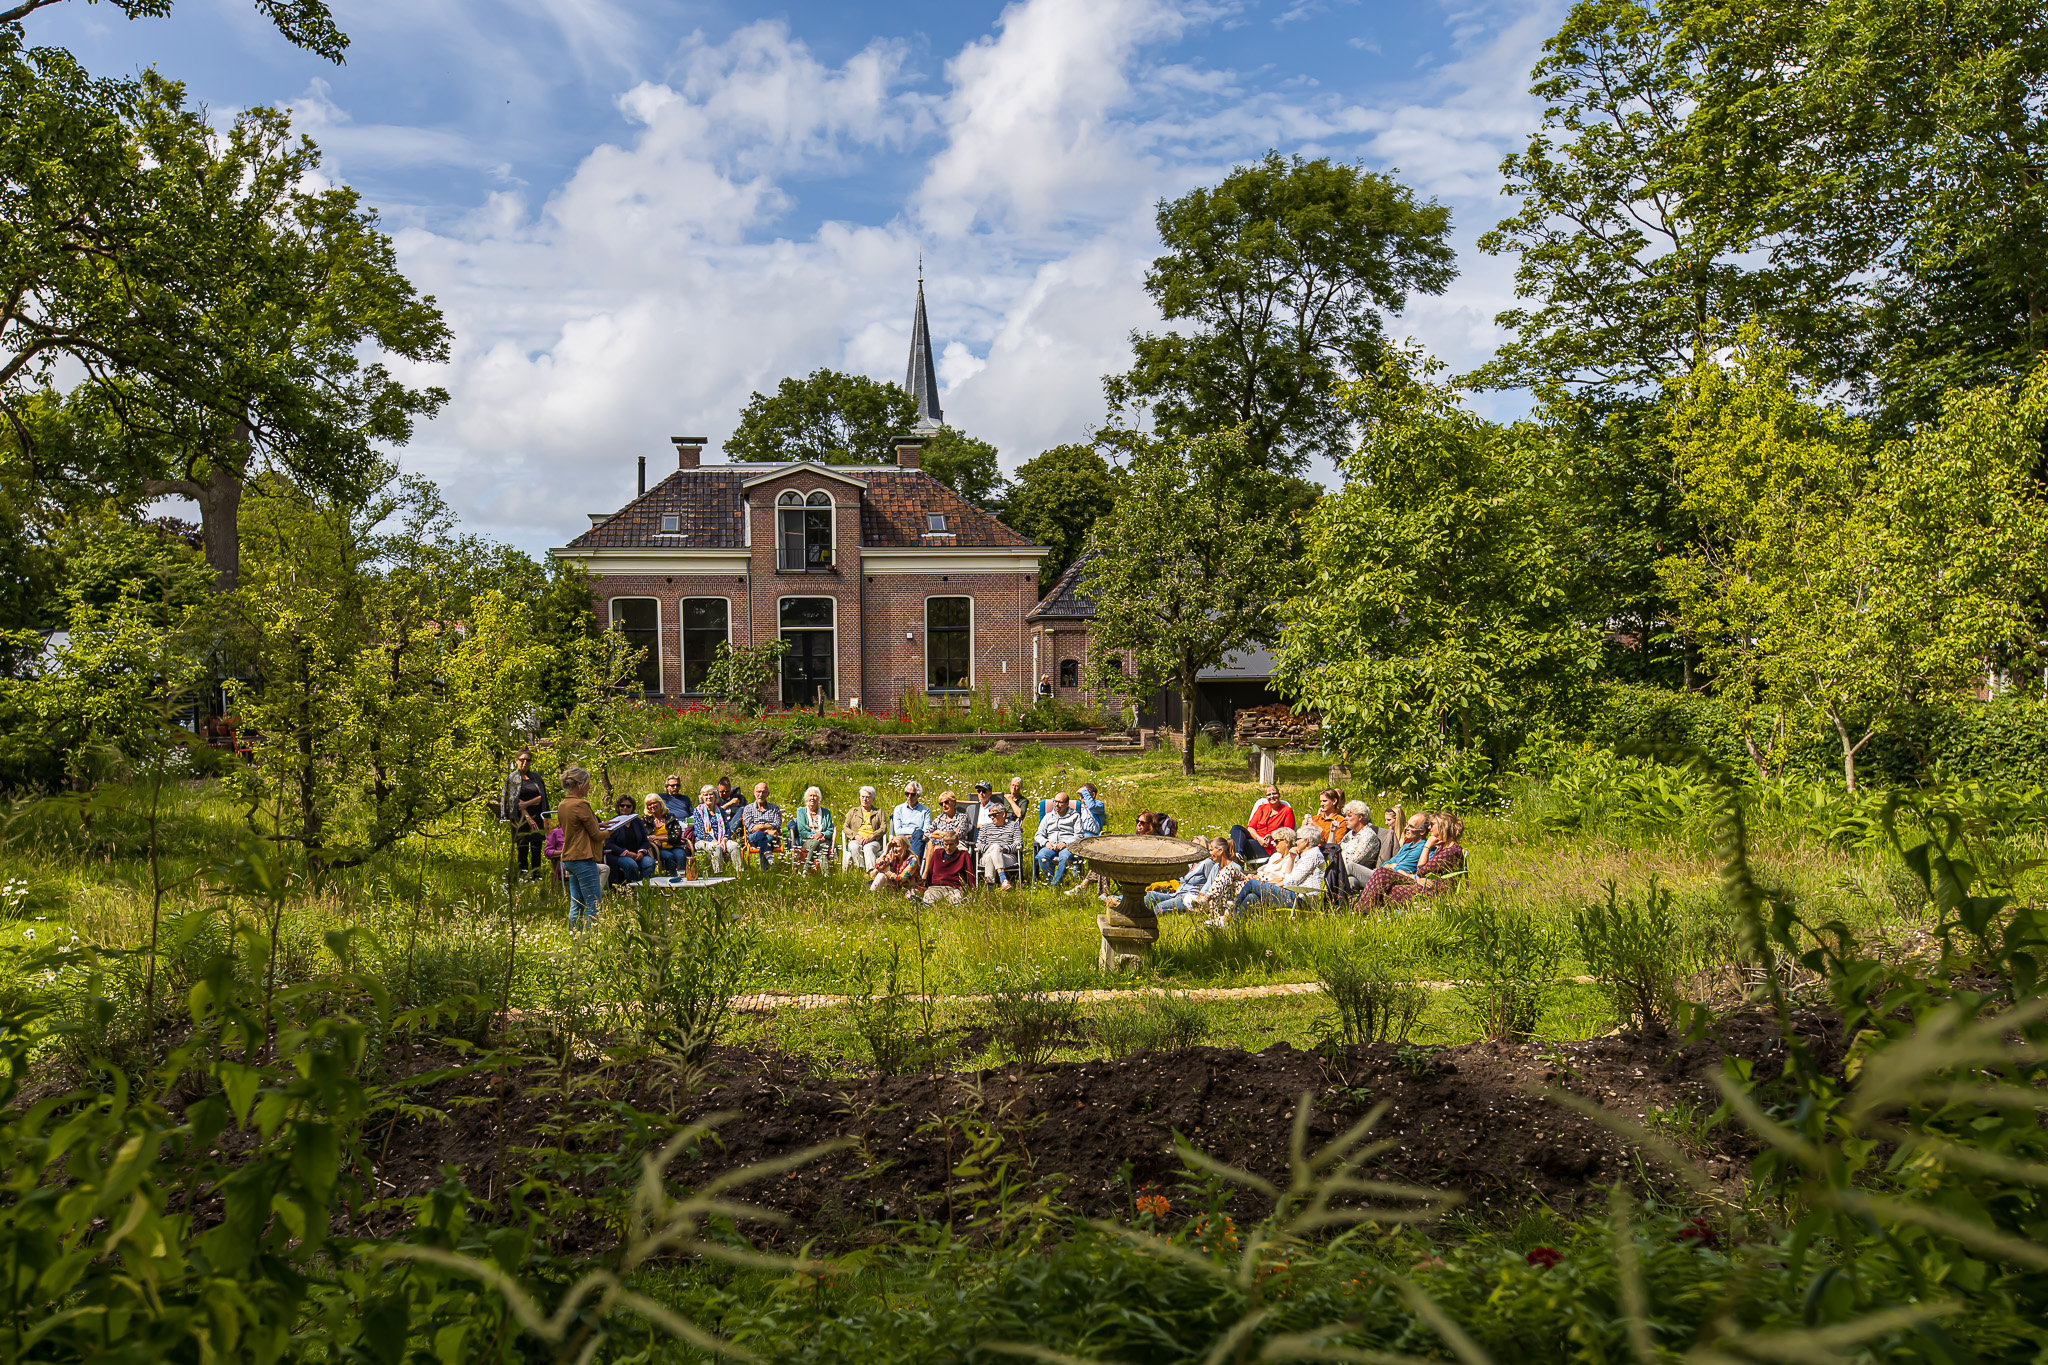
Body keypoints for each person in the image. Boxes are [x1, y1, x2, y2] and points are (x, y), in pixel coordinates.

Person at [1229, 826, 1326, 918]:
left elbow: (1292, 880)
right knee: (1251, 897)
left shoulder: (1312, 856)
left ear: (1306, 841)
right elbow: (1288, 875)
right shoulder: (1304, 855)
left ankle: (1230, 912)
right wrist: (1292, 859)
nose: (1296, 842)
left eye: (1298, 839)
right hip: (1294, 894)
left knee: (1252, 883)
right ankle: (1232, 925)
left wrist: (1271, 885)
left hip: (1301, 899)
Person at [1376, 813, 1468, 908]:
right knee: (1382, 873)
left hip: (1434, 892)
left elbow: (1421, 871)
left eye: (1432, 824)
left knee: (1389, 885)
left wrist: (1427, 846)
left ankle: (1363, 910)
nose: (1429, 827)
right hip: (1426, 885)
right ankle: (1364, 909)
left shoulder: (1450, 851)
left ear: (1442, 827)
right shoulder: (1442, 848)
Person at [557, 767, 605, 926]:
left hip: (569, 858)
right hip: (583, 858)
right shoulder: (581, 804)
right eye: (587, 784)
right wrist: (613, 830)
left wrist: (603, 824)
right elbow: (596, 835)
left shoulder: (563, 804)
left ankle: (573, 937)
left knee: (576, 903)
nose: (589, 787)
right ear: (579, 784)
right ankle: (590, 940)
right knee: (594, 904)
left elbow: (576, 827)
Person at [504, 751, 549, 880]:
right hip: (520, 820)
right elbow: (514, 802)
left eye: (528, 760)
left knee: (536, 848)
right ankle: (522, 876)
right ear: (516, 761)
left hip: (537, 817)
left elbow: (542, 797)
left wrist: (527, 803)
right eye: (522, 760)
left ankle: (537, 875)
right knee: (522, 848)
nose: (525, 763)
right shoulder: (512, 778)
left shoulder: (536, 777)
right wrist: (527, 816)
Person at [1033, 791, 1090, 886]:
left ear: (1067, 804)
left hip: (1067, 846)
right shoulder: (1048, 816)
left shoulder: (1075, 816)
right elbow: (1038, 835)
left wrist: (1065, 843)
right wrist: (1046, 842)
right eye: (1055, 801)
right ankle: (1052, 882)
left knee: (1065, 857)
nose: (1056, 804)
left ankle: (1055, 884)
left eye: (1060, 802)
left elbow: (1079, 834)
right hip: (1051, 845)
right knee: (1041, 856)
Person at [1229, 784, 1296, 863]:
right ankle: (1237, 856)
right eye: (1269, 795)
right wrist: (1258, 838)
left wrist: (1272, 835)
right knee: (1236, 828)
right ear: (1266, 797)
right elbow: (1250, 828)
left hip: (1269, 846)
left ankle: (1235, 856)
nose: (1272, 796)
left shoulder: (1287, 810)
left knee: (1236, 843)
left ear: (1279, 795)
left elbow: (1288, 833)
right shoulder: (1262, 808)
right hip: (1256, 838)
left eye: (1274, 793)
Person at [1146, 842, 1219, 914]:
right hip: (1178, 893)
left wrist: (1203, 899)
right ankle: (1140, 916)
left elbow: (1211, 883)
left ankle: (1152, 920)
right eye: (1191, 845)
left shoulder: (1207, 863)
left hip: (1189, 897)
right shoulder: (1190, 862)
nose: (1193, 848)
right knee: (1150, 895)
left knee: (1160, 906)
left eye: (1196, 845)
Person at [1333, 799, 1384, 896]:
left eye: (1349, 816)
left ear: (1360, 817)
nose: (1345, 819)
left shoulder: (1368, 836)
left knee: (1346, 871)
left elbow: (1355, 860)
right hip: (1347, 873)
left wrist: (1335, 865)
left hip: (1361, 872)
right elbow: (1334, 850)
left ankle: (1330, 877)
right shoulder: (1349, 834)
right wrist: (1333, 832)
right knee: (1350, 881)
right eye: (1345, 816)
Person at [604, 794, 658, 886]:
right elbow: (609, 844)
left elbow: (645, 841)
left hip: (637, 854)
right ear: (618, 807)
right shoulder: (613, 822)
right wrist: (626, 853)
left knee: (649, 863)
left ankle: (642, 889)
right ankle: (631, 888)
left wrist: (641, 852)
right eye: (622, 805)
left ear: (632, 807)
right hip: (617, 855)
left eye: (628, 806)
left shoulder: (638, 822)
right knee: (631, 865)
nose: (625, 808)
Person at [691, 784, 741, 873]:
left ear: (715, 796)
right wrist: (714, 841)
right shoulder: (698, 811)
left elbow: (727, 828)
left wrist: (724, 840)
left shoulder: (720, 811)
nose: (708, 797)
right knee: (716, 847)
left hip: (721, 840)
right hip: (703, 841)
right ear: (702, 797)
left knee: (735, 846)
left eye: (711, 794)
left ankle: (739, 872)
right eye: (705, 795)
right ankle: (718, 873)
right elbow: (700, 832)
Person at [976, 800, 1024, 888]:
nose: (992, 817)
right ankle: (1003, 879)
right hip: (987, 854)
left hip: (1007, 856)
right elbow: (978, 844)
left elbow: (1018, 843)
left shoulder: (1013, 826)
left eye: (994, 815)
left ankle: (989, 888)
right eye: (990, 815)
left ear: (1003, 814)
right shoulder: (985, 827)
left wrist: (1006, 849)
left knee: (994, 852)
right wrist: (990, 847)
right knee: (994, 848)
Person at [920, 827, 973, 904]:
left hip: (954, 888)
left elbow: (970, 874)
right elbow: (930, 872)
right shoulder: (937, 853)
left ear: (957, 843)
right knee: (929, 897)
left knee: (956, 899)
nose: (948, 848)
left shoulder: (963, 855)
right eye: (946, 844)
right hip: (936, 887)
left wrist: (971, 890)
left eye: (951, 845)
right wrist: (925, 886)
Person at [642, 793, 692, 874]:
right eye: (649, 804)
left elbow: (677, 835)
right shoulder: (646, 820)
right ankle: (671, 879)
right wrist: (653, 841)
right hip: (658, 848)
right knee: (669, 856)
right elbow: (643, 835)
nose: (652, 806)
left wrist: (659, 838)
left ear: (660, 803)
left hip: (674, 845)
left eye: (654, 803)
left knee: (681, 855)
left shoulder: (671, 817)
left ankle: (682, 878)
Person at [789, 786, 834, 874]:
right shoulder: (801, 811)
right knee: (816, 843)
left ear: (819, 798)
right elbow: (802, 830)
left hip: (823, 840)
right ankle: (823, 874)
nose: (812, 798)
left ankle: (809, 871)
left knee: (823, 849)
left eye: (815, 796)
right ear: (807, 798)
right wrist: (814, 836)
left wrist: (821, 834)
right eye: (810, 796)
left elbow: (830, 830)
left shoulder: (826, 812)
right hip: (807, 841)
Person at [843, 785, 886, 873]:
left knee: (868, 847)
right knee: (854, 846)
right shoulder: (853, 811)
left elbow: (883, 828)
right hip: (856, 839)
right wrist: (855, 836)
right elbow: (845, 827)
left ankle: (871, 872)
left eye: (868, 797)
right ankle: (860, 869)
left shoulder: (879, 812)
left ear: (873, 799)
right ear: (860, 797)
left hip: (873, 841)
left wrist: (872, 836)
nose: (864, 799)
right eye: (863, 797)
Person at [741, 782, 783, 867]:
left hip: (770, 837)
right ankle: (768, 860)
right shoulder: (748, 808)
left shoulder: (774, 808)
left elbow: (777, 824)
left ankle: (765, 869)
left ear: (768, 794)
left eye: (763, 792)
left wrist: (761, 827)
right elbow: (751, 827)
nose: (760, 794)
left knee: (764, 839)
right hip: (754, 837)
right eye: (758, 792)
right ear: (754, 793)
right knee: (761, 835)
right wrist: (768, 830)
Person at [891, 781, 933, 861]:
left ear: (918, 795)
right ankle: (914, 863)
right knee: (918, 833)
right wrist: (914, 831)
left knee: (919, 834)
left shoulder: (925, 811)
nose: (909, 797)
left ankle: (913, 863)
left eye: (913, 794)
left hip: (918, 838)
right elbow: (898, 831)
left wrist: (912, 835)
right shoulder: (898, 809)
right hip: (903, 838)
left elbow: (926, 831)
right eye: (907, 794)